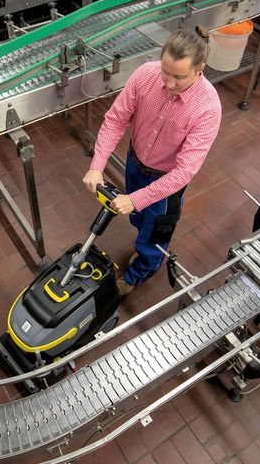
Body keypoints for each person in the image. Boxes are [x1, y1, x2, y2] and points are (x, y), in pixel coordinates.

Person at [83, 28, 222, 296]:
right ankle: (141, 231)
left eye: (178, 77)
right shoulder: (145, 74)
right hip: (135, 163)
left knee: (154, 236)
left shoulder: (207, 108)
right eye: (165, 72)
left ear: (199, 70)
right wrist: (97, 165)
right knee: (139, 219)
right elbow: (116, 120)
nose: (169, 83)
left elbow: (184, 172)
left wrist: (136, 199)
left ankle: (138, 274)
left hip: (166, 183)